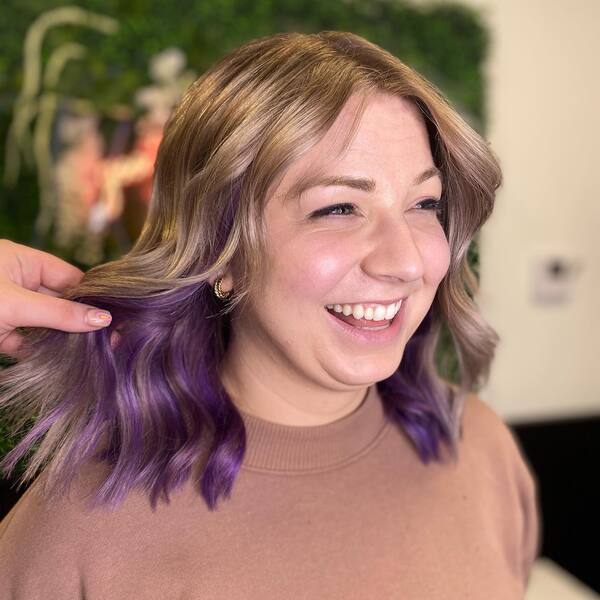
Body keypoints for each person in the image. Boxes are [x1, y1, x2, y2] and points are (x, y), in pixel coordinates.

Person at [0, 31, 540, 598]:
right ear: (219, 253)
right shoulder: (82, 527)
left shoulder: (480, 448)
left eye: (424, 204)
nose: (405, 261)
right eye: (338, 207)